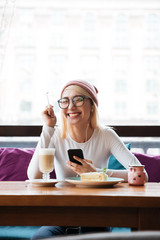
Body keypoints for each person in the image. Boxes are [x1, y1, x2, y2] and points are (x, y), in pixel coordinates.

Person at [27, 80, 148, 239]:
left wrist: (96, 173)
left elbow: (142, 175)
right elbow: (33, 176)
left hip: (98, 215)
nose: (70, 107)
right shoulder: (55, 134)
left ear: (92, 106)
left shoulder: (106, 135)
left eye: (78, 99)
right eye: (65, 101)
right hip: (62, 216)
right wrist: (48, 127)